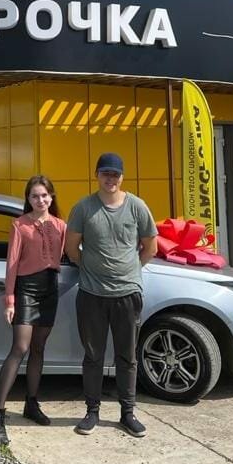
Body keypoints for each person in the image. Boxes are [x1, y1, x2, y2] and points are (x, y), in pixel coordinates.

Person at [65, 152, 158, 438]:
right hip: (91, 294)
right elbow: (72, 249)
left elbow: (150, 247)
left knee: (127, 357)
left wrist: (130, 270)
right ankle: (92, 412)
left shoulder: (137, 207)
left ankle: (128, 413)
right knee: (93, 356)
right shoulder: (83, 208)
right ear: (97, 175)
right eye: (105, 173)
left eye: (115, 174)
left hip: (127, 293)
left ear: (122, 177)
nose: (110, 179)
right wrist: (92, 268)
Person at [0, 175, 67, 445]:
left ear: (51, 197)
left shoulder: (61, 226)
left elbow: (71, 253)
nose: (40, 200)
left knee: (39, 348)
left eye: (44, 195)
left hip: (50, 289)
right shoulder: (19, 225)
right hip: (26, 289)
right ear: (28, 199)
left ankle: (31, 403)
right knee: (20, 347)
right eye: (34, 196)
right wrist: (10, 300)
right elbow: (11, 264)